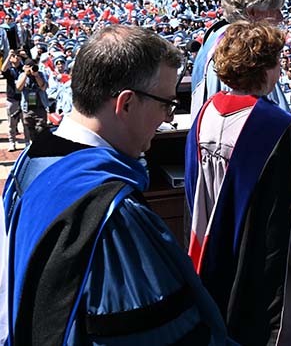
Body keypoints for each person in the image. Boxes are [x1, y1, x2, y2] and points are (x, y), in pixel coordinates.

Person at [3, 25, 228, 345]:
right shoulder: (112, 214)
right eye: (166, 103)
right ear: (126, 104)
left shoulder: (29, 162)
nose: (167, 118)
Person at [186, 21, 291, 346]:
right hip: (277, 266)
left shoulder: (203, 117)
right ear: (265, 67)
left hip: (211, 255)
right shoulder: (283, 130)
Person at [190, 0, 288, 116]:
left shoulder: (216, 36)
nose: (280, 17)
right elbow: (273, 116)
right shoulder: (247, 49)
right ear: (252, 12)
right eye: (275, 10)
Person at [16, 58, 49, 146]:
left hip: (40, 107)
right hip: (27, 108)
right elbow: (18, 88)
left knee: (41, 130)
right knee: (30, 131)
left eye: (32, 66)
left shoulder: (41, 74)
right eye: (29, 67)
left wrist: (36, 75)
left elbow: (43, 87)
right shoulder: (22, 75)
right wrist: (26, 75)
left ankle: (41, 147)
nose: (31, 69)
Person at [1, 49, 26, 151]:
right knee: (12, 123)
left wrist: (24, 56)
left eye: (18, 56)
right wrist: (9, 56)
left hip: (23, 99)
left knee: (26, 123)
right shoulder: (10, 70)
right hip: (12, 99)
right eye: (14, 56)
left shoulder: (23, 68)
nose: (16, 58)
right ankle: (12, 142)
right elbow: (3, 69)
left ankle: (28, 141)